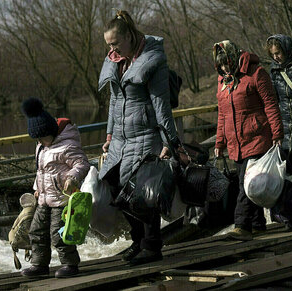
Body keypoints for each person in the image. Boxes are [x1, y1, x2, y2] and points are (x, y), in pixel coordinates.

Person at [98, 10, 184, 266]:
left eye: (115, 43)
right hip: (121, 140)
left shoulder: (152, 59)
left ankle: (152, 246)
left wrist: (169, 142)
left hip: (146, 136)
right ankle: (138, 241)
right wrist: (109, 134)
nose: (112, 49)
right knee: (115, 188)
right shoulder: (115, 60)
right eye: (108, 45)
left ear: (129, 36)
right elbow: (114, 100)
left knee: (144, 192)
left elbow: (162, 105)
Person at [212, 40, 284, 241]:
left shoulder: (256, 73)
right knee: (248, 182)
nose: (226, 68)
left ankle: (241, 225)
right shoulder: (223, 82)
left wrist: (277, 134)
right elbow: (222, 115)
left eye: (227, 63)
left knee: (247, 185)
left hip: (257, 137)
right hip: (236, 143)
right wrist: (219, 142)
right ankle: (257, 224)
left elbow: (271, 105)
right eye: (222, 65)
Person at [19, 98, 90, 278]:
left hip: (62, 198)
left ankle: (70, 264)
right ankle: (39, 264)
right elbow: (41, 171)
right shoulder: (41, 147)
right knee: (36, 231)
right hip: (44, 198)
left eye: (44, 138)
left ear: (51, 131)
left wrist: (73, 177)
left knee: (60, 233)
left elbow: (82, 163)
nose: (42, 141)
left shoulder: (67, 145)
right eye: (38, 139)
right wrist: (37, 188)